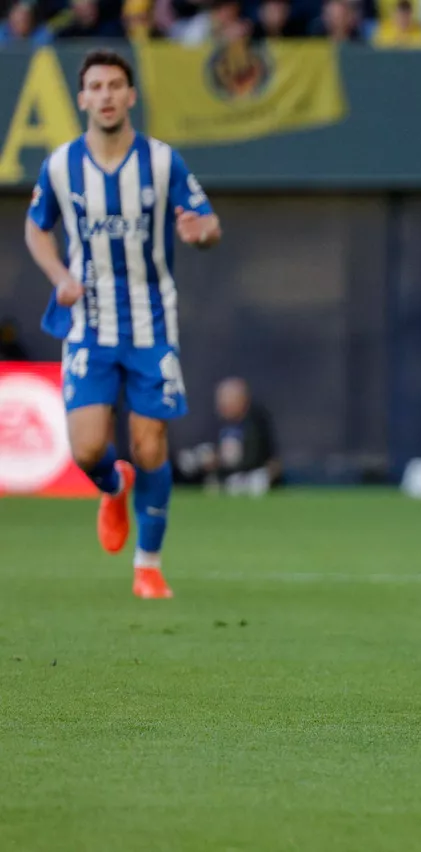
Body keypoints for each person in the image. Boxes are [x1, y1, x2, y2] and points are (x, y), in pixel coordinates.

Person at [24, 49, 221, 599]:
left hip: (152, 323)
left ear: (131, 95)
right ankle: (113, 488)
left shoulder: (161, 162)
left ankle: (148, 564)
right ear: (82, 98)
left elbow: (208, 221)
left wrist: (199, 232)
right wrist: (59, 273)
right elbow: (36, 228)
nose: (106, 95)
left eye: (116, 85)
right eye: (96, 86)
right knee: (87, 450)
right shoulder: (61, 166)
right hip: (88, 322)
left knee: (151, 445)